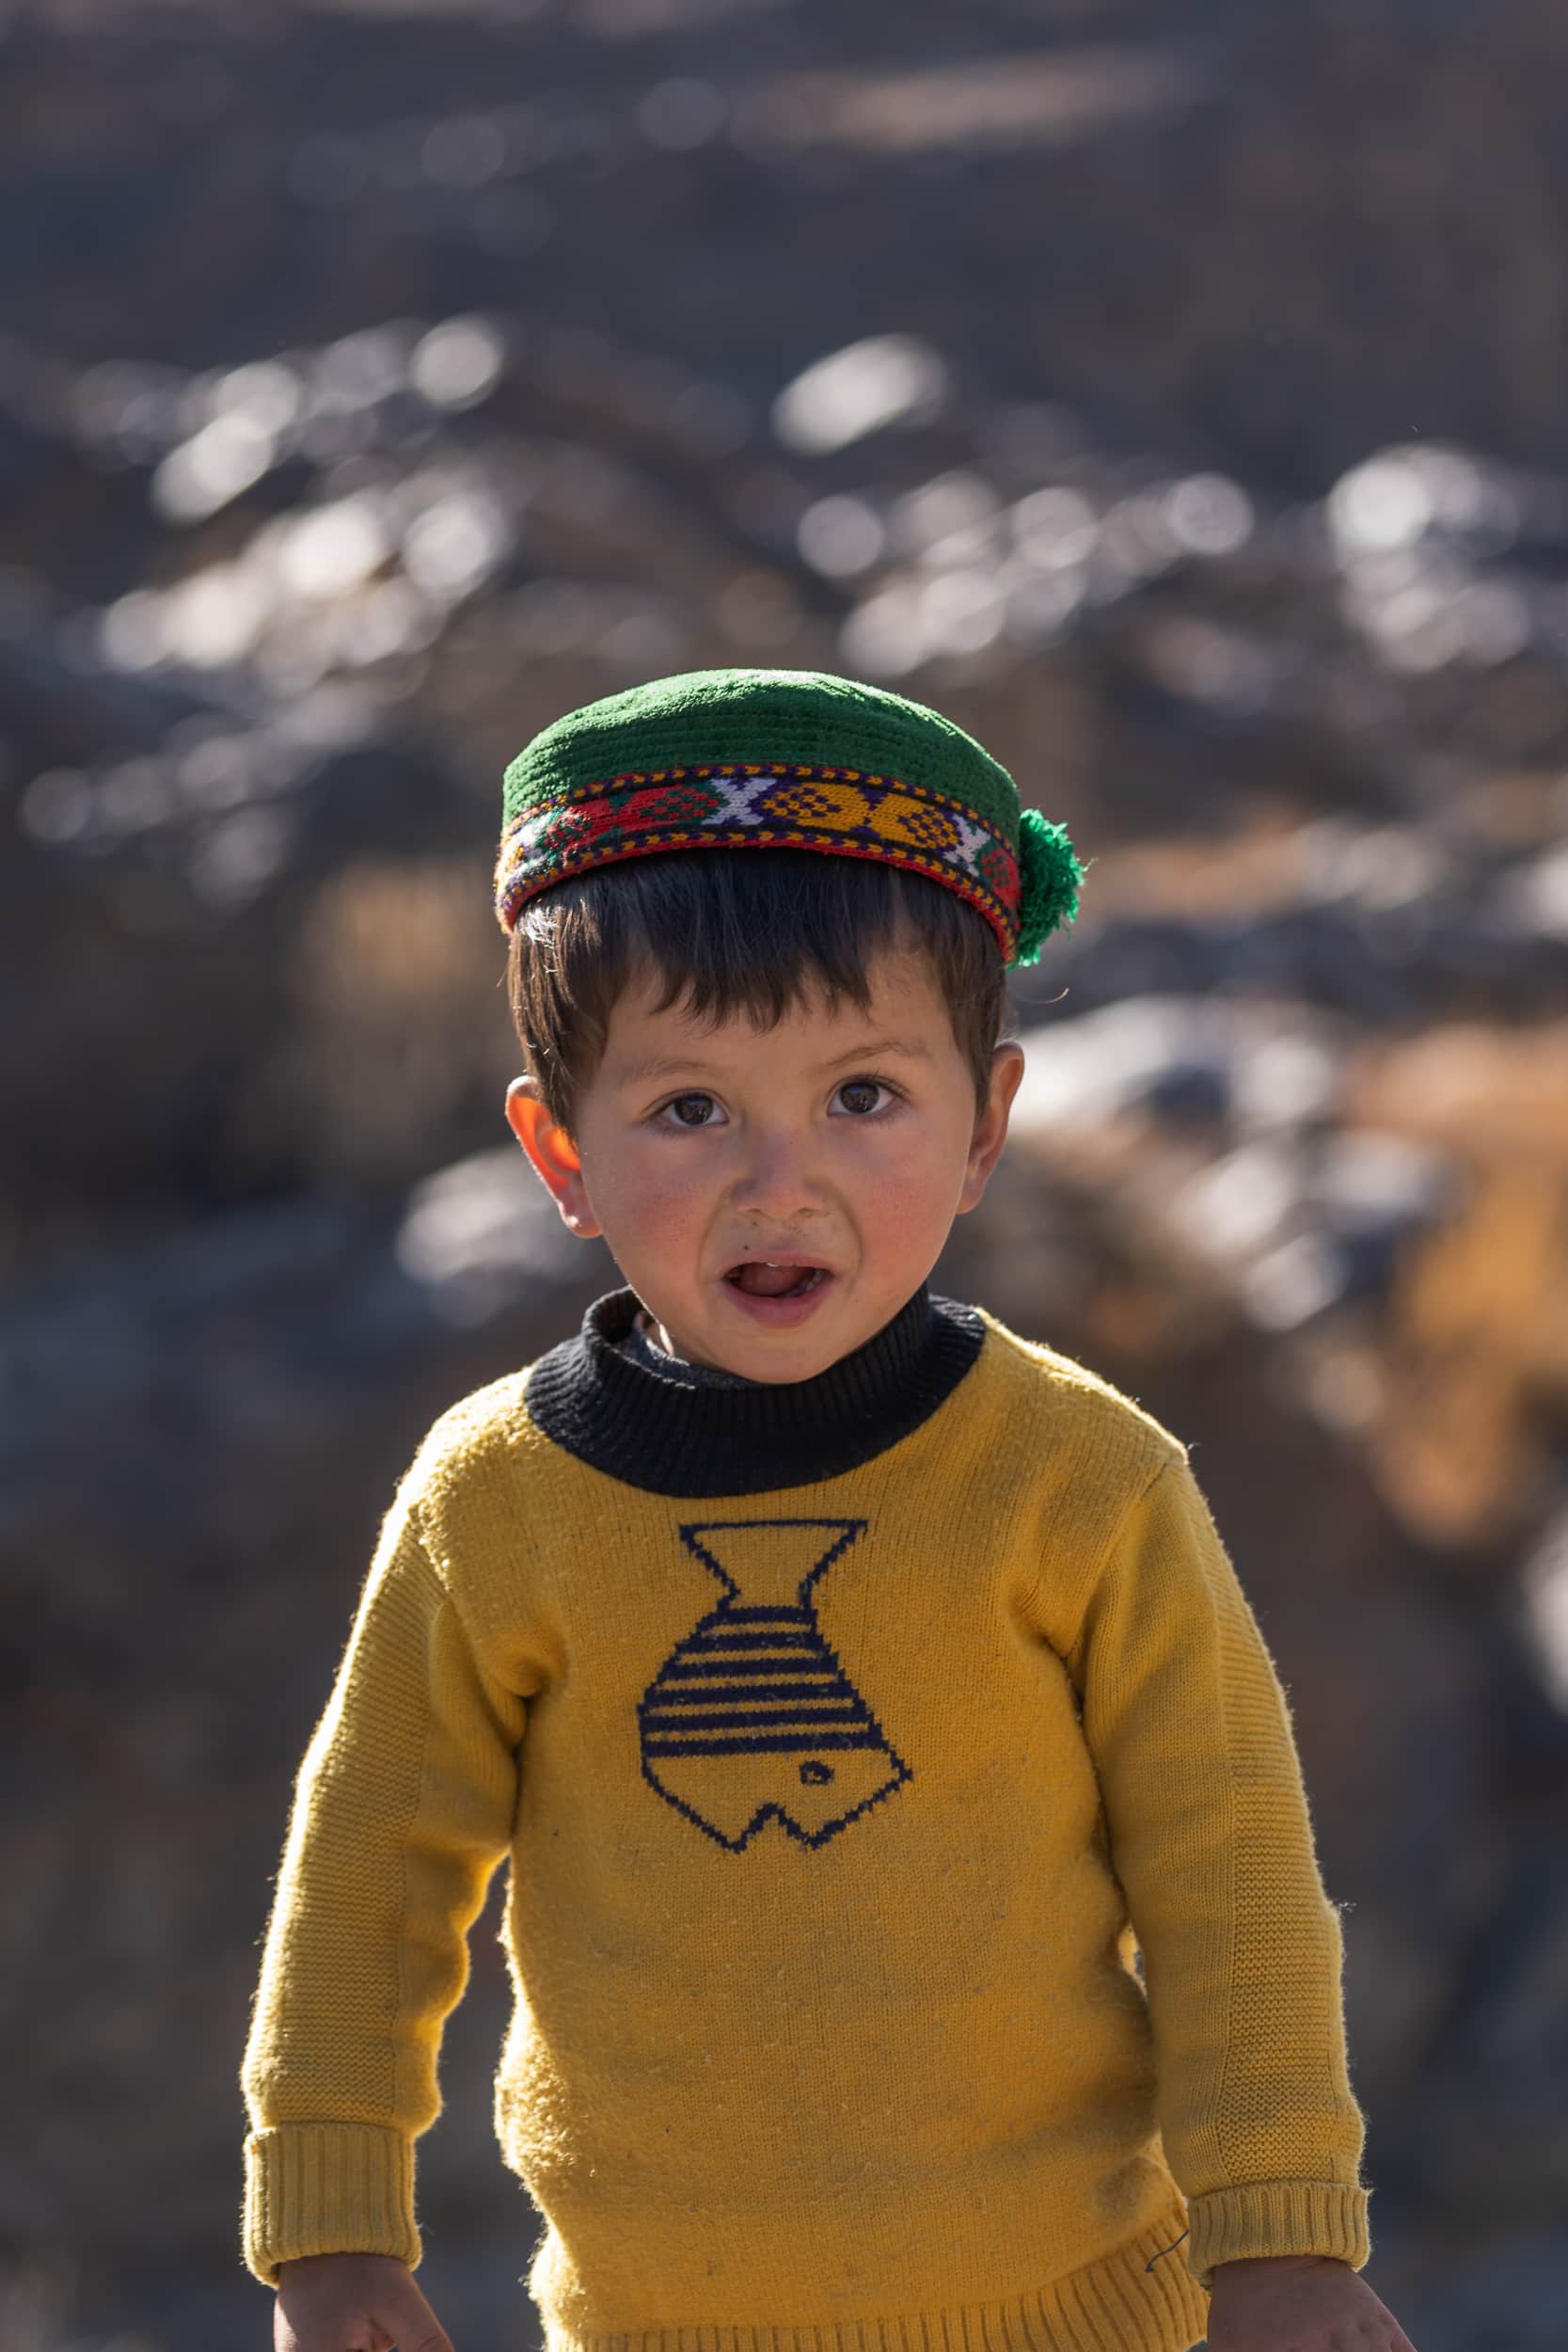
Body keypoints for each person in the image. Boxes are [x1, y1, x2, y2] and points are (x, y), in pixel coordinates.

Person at [242, 668, 1418, 2352]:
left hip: (1085, 2321)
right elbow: (368, 1876)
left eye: (863, 1097)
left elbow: (1228, 1878)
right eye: (687, 1108)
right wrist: (331, 2229)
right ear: (559, 1152)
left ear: (983, 1126)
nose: (775, 1181)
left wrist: (1284, 2239)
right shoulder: (493, 1501)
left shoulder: (1081, 1481)